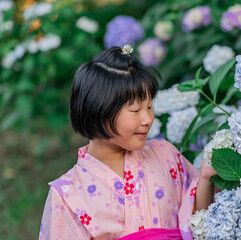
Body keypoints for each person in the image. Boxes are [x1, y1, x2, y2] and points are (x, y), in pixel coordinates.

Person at [39, 45, 216, 240]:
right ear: (99, 111)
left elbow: (196, 222)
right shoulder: (68, 193)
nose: (147, 119)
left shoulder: (166, 154)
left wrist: (207, 178)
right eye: (135, 110)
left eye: (149, 107)